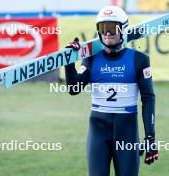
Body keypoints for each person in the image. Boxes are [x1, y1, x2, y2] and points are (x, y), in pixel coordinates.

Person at [64, 5, 159, 176]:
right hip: (98, 132)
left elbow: (148, 98)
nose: (107, 33)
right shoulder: (91, 59)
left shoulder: (139, 60)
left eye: (112, 27)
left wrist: (150, 137)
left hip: (127, 131)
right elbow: (74, 88)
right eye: (103, 28)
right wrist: (70, 61)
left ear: (123, 29)